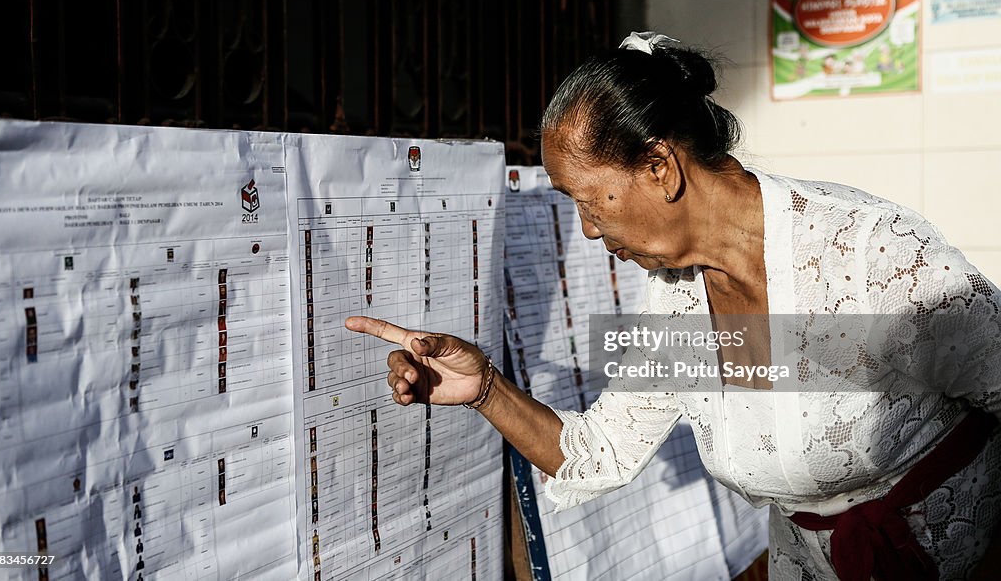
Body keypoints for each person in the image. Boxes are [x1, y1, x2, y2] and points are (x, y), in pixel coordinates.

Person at [346, 31, 1001, 580]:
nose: (588, 232)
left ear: (660, 167)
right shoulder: (679, 301)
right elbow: (598, 450)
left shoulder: (867, 255)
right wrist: (486, 385)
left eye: (589, 199)